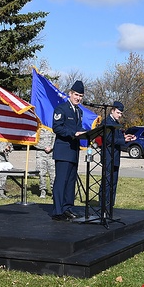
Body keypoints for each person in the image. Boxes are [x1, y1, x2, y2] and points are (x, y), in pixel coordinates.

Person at [52, 80, 89, 221]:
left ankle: (68, 208)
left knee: (70, 182)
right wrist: (73, 133)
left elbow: (79, 129)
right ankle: (58, 211)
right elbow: (57, 127)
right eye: (76, 95)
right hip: (63, 151)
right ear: (70, 94)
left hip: (74, 151)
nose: (78, 98)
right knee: (61, 181)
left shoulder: (79, 111)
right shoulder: (61, 109)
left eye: (81, 96)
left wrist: (85, 133)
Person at [98, 101, 136, 213]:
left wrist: (126, 137)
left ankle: (110, 205)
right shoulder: (107, 122)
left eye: (121, 113)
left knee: (113, 182)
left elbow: (117, 138)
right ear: (112, 110)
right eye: (118, 112)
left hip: (115, 157)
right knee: (107, 182)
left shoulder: (116, 123)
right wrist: (123, 140)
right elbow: (109, 139)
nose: (119, 115)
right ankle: (103, 206)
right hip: (108, 156)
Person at [34, 126, 56, 198]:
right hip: (40, 154)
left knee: (53, 174)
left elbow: (55, 139)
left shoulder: (51, 129)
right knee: (41, 174)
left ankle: (54, 191)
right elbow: (34, 142)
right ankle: (43, 190)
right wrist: (44, 147)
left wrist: (51, 147)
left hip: (51, 154)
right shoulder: (37, 130)